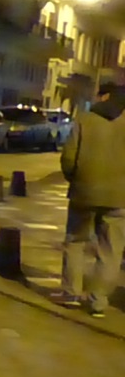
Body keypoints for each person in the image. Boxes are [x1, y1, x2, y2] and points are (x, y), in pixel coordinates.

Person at [56, 81, 125, 317]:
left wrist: (75, 178)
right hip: (119, 197)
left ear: (105, 96)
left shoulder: (85, 119)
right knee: (110, 250)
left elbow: (69, 157)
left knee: (75, 242)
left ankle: (71, 293)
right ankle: (99, 301)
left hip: (83, 192)